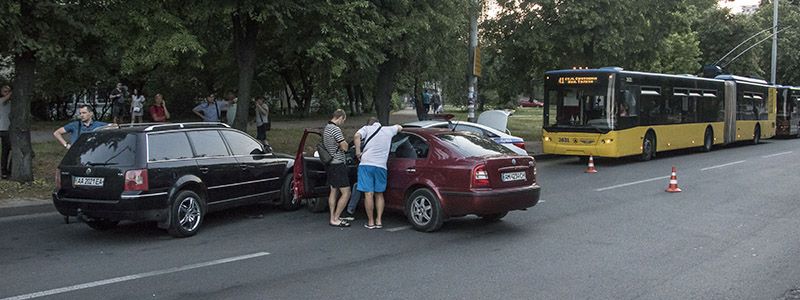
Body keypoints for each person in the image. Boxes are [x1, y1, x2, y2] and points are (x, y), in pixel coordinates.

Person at [354, 118, 402, 229]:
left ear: (369, 124)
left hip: (366, 164)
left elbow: (357, 136)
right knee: (379, 194)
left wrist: (358, 152)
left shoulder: (367, 128)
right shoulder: (388, 130)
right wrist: (397, 128)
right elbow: (399, 127)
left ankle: (370, 221)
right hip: (381, 166)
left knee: (368, 194)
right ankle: (379, 220)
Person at [341, 117, 378, 222]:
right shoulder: (385, 135)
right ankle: (377, 219)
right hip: (382, 167)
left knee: (359, 187)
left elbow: (356, 141)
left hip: (368, 167)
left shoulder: (366, 139)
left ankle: (351, 211)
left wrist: (357, 152)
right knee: (377, 193)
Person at [323, 109, 351, 227]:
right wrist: (345, 143)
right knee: (346, 192)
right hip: (338, 164)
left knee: (333, 191)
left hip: (330, 164)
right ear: (340, 117)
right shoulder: (335, 129)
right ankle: (336, 217)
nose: (342, 123)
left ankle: (332, 217)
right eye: (343, 120)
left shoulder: (326, 128)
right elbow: (344, 147)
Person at [0, 85, 11, 178]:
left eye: (8, 91)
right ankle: (4, 171)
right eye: (5, 91)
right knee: (6, 151)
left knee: (7, 151)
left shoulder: (10, 103)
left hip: (8, 130)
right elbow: (7, 97)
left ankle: (7, 171)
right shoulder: (1, 101)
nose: (7, 93)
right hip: (2, 129)